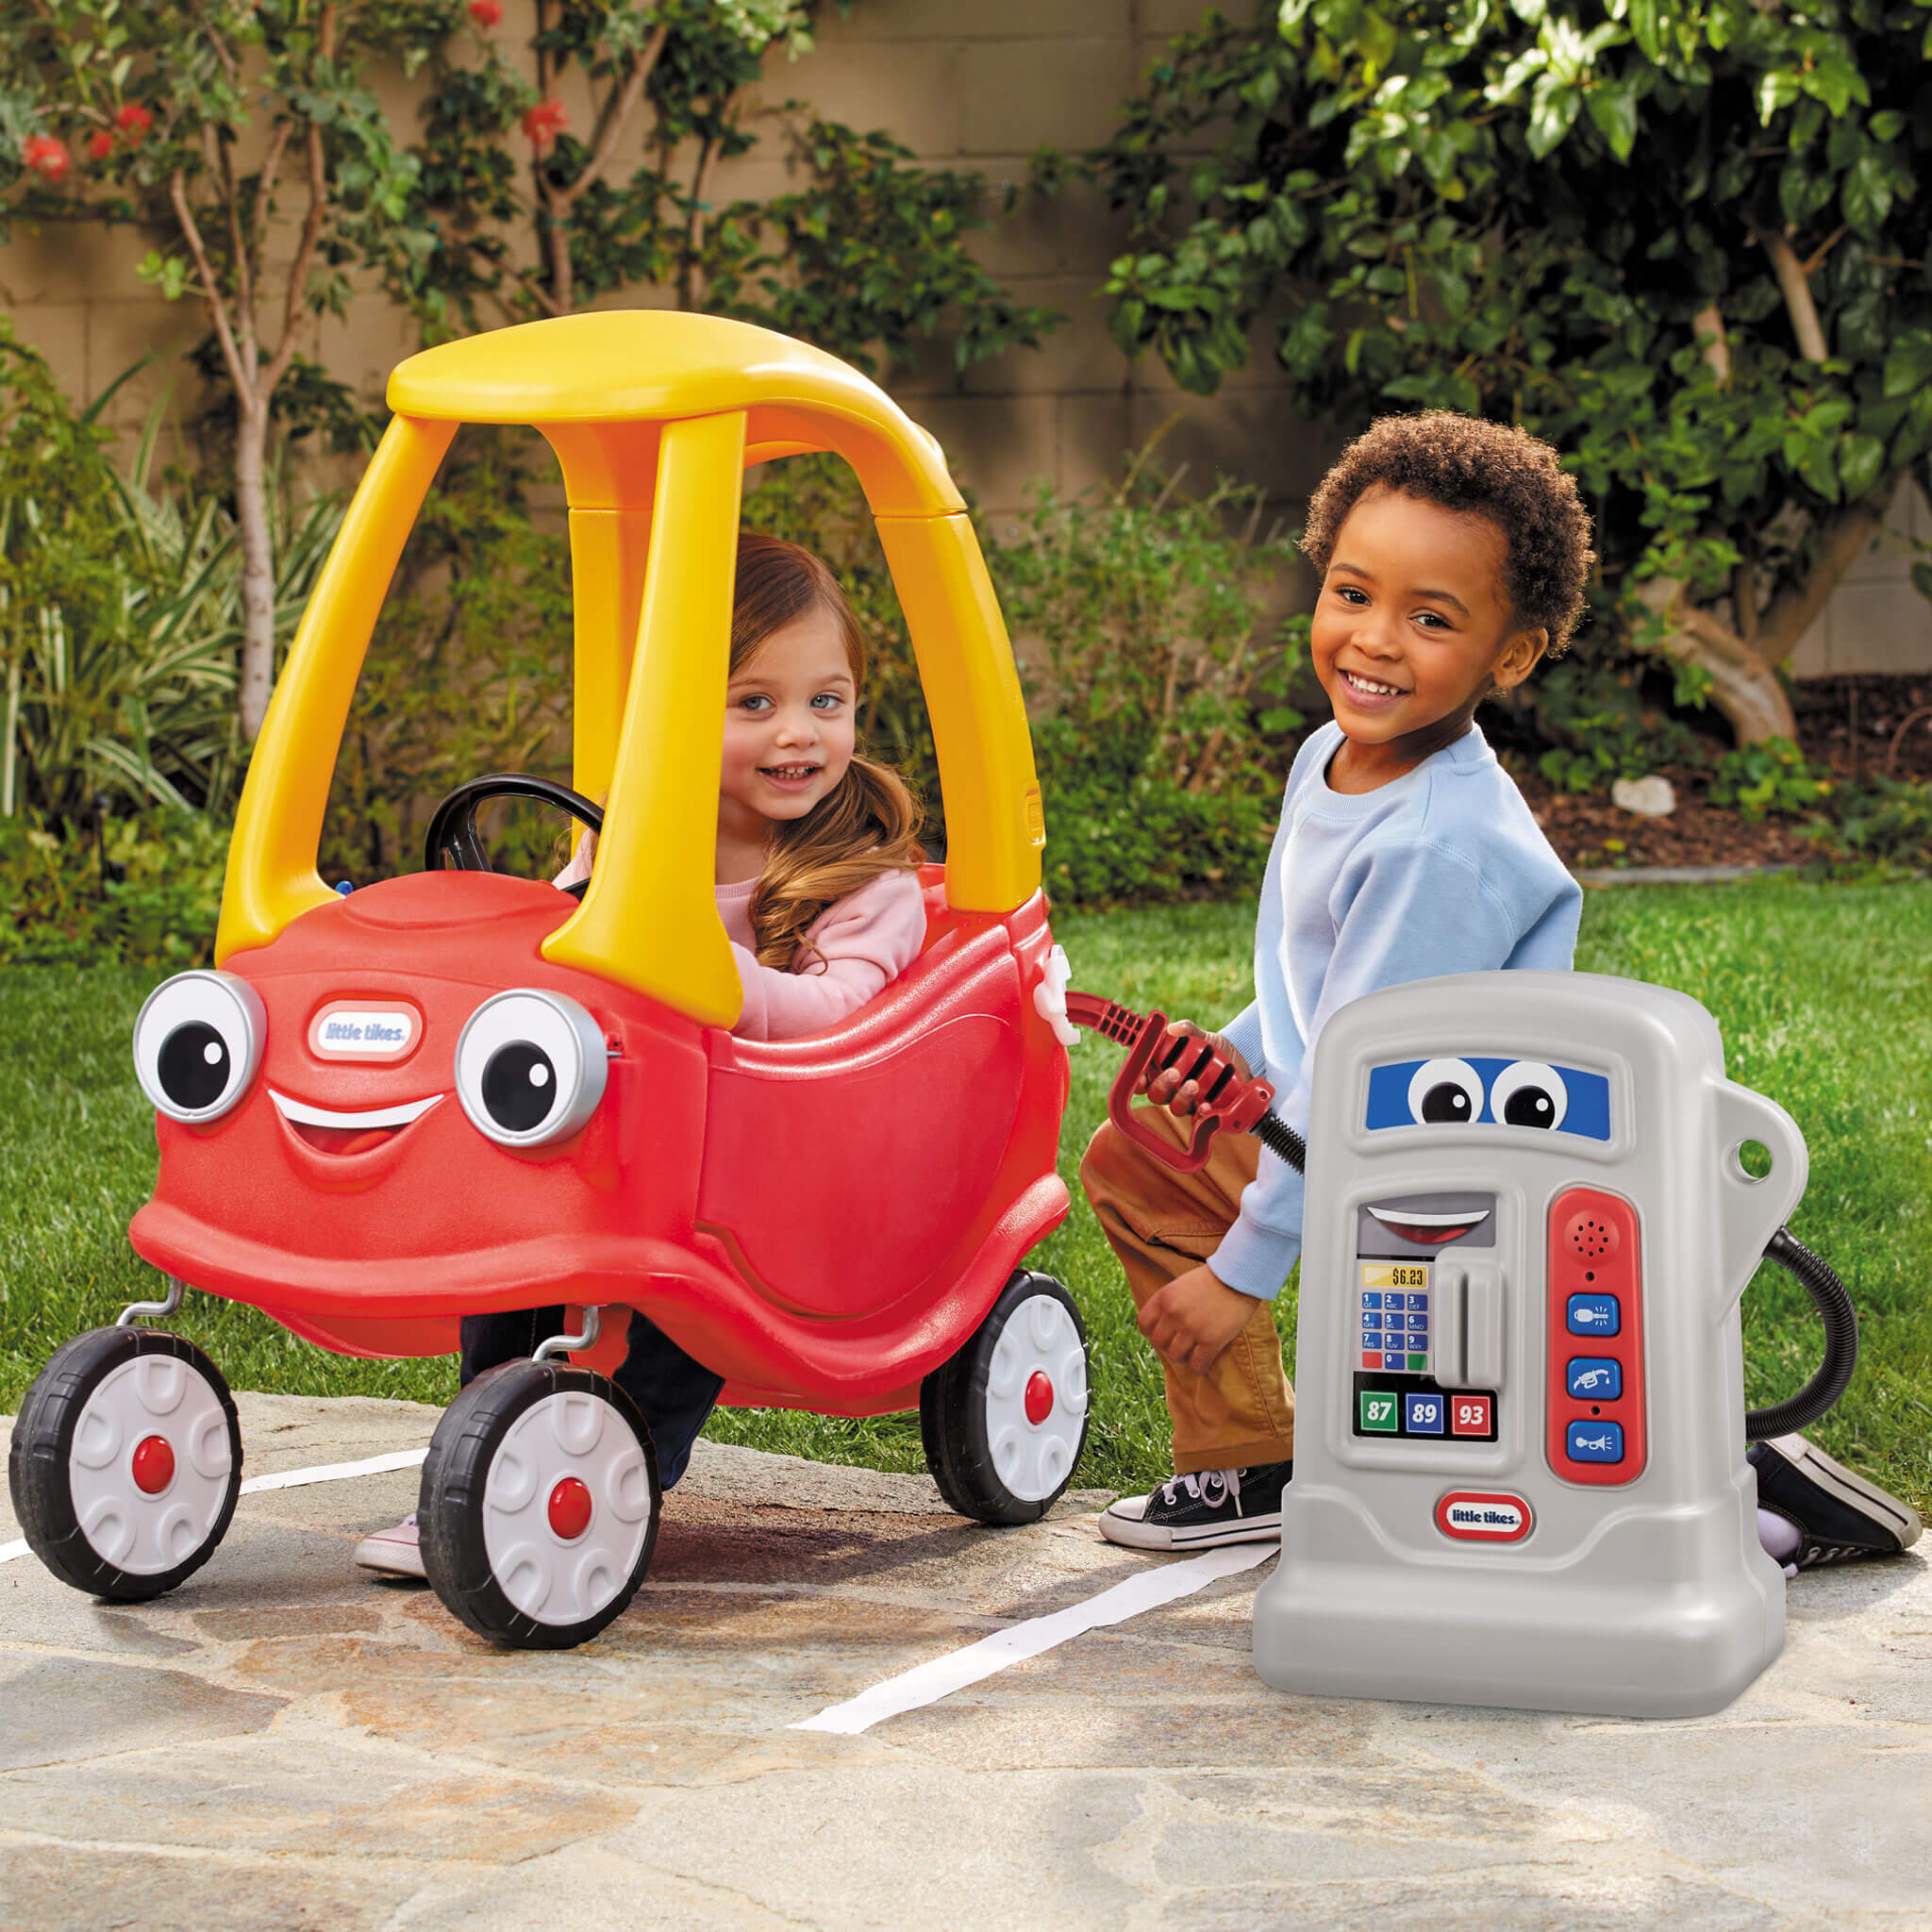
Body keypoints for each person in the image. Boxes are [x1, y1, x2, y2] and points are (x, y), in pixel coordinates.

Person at [1087, 411, 1923, 1575]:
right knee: (1149, 1159)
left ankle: (1745, 1496)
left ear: (1511, 656)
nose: (1373, 639)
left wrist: (1241, 1271)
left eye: (1430, 618)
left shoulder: (1438, 840)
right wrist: (1234, 1056)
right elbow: (1320, 992)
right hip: (1374, 1126)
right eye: (1350, 592)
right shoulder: (1328, 759)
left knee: (1502, 1417)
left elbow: (1365, 1067)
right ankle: (1254, 1461)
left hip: (1472, 1163)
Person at [355, 531, 929, 1578]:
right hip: (632, 1138)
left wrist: (713, 976)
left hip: (774, 1168)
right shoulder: (626, 842)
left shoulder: (863, 879)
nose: (797, 733)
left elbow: (843, 1012)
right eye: (752, 703)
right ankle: (482, 1448)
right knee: (509, 1227)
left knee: (696, 1277)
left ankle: (620, 1467)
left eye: (827, 701)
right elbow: (567, 952)